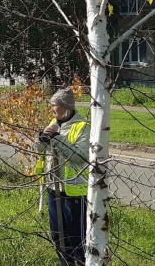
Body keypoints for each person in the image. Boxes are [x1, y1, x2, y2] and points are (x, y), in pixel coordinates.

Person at [35, 88, 90, 266]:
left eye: (54, 106)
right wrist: (41, 141)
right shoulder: (54, 123)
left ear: (66, 107)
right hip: (53, 188)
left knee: (75, 237)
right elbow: (39, 151)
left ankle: (79, 263)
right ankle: (64, 263)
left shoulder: (82, 127)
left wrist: (58, 139)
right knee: (57, 235)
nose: (51, 110)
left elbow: (80, 157)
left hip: (73, 192)